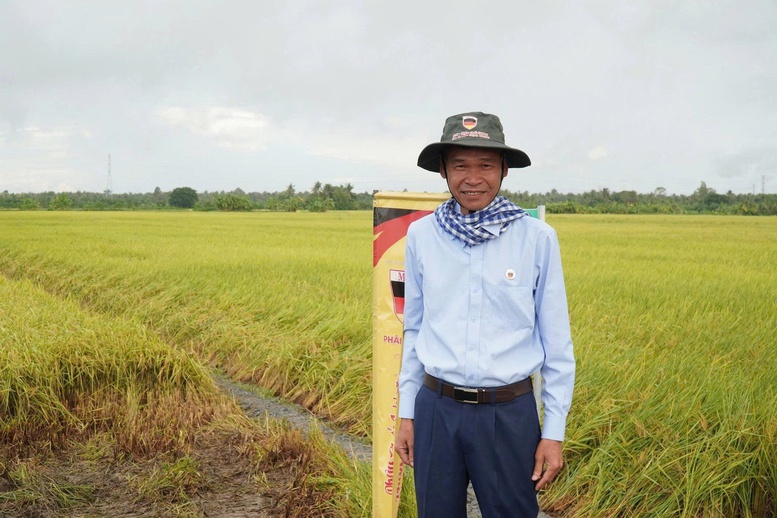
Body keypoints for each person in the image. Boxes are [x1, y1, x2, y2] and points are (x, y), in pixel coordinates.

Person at [395, 112, 575, 518]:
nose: (472, 177)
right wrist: (408, 413)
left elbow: (557, 343)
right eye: (460, 165)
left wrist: (554, 433)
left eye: (485, 165)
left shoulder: (537, 238)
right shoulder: (422, 235)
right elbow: (415, 328)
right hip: (436, 409)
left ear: (504, 170)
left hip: (508, 414)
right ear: (443, 170)